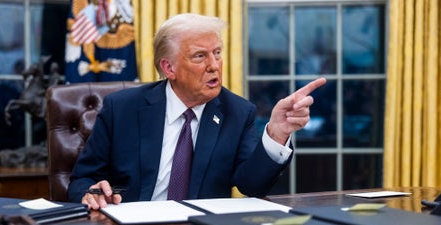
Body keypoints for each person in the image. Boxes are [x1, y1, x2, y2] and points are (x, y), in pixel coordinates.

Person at [68, 13, 326, 210]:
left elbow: (252, 185)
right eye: (200, 56)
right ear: (169, 68)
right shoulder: (122, 108)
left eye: (217, 53)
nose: (214, 65)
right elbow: (82, 178)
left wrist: (276, 133)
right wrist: (90, 192)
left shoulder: (237, 112)